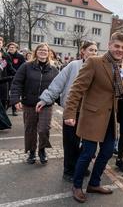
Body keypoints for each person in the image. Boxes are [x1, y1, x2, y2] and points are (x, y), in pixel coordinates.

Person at [63, 32, 123, 203]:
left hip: (110, 118)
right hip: (92, 116)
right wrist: (69, 113)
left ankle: (94, 183)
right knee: (88, 153)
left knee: (108, 151)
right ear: (110, 45)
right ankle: (77, 185)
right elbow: (77, 89)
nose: (120, 50)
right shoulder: (95, 62)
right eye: (117, 46)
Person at [36, 41, 98, 182]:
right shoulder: (73, 66)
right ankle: (69, 170)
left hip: (90, 112)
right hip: (72, 110)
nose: (94, 53)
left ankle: (80, 166)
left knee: (89, 144)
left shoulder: (98, 67)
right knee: (71, 143)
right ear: (83, 51)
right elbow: (58, 84)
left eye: (95, 50)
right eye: (90, 50)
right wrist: (44, 99)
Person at [10, 43, 59, 164]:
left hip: (46, 105)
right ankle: (31, 152)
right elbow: (17, 83)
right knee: (30, 129)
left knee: (44, 129)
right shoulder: (26, 66)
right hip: (29, 103)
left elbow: (58, 87)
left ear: (49, 53)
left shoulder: (54, 70)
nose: (43, 52)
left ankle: (42, 150)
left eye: (45, 50)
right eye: (40, 50)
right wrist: (16, 100)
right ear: (36, 52)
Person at [7, 42, 25, 116]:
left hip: (16, 77)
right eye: (10, 47)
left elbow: (23, 67)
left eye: (13, 47)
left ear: (16, 48)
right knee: (6, 94)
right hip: (7, 77)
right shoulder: (5, 55)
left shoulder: (20, 56)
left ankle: (14, 110)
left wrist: (19, 75)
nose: (11, 48)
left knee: (14, 93)